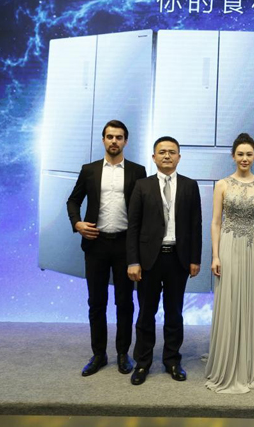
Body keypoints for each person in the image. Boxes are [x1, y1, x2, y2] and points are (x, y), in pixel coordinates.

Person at [66, 120, 146, 377]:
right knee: (96, 302)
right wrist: (77, 223)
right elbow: (73, 200)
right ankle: (99, 354)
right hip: (96, 244)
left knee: (125, 302)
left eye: (119, 137)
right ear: (103, 140)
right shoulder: (89, 170)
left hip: (125, 244)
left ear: (125, 141)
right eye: (110, 136)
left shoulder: (137, 171)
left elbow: (143, 208)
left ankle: (123, 354)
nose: (114, 141)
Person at [126, 136, 202, 385]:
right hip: (149, 260)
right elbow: (133, 227)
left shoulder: (190, 186)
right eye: (162, 152)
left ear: (179, 157)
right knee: (146, 314)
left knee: (174, 313)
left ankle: (172, 361)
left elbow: (196, 225)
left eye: (171, 152)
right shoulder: (142, 185)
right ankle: (142, 363)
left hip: (178, 259)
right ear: (153, 157)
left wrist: (195, 259)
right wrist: (133, 261)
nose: (167, 156)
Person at [205, 133, 254, 393]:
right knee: (230, 300)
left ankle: (250, 364)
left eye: (249, 154)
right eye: (240, 154)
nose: (245, 158)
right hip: (229, 246)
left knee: (253, 303)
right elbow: (216, 222)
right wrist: (215, 255)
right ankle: (228, 361)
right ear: (233, 156)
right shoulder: (222, 184)